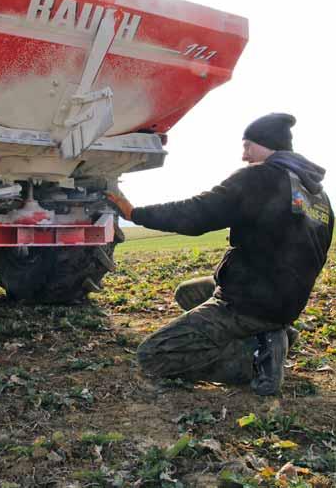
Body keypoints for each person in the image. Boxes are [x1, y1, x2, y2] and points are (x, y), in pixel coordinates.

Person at [106, 113, 334, 396]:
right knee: (187, 293)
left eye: (248, 146)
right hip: (284, 303)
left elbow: (197, 213)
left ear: (266, 144)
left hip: (248, 304)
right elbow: (319, 255)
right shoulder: (319, 197)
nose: (244, 156)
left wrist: (135, 213)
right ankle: (273, 334)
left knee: (152, 356)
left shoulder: (259, 178)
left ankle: (257, 360)